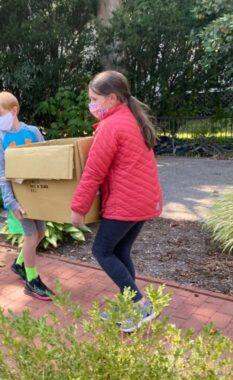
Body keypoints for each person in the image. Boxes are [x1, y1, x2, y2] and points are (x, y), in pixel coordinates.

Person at [70, 71, 163, 332]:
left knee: (102, 251)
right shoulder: (131, 118)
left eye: (94, 98)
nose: (91, 104)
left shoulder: (111, 127)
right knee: (120, 252)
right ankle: (131, 309)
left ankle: (141, 304)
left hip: (126, 204)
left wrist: (78, 208)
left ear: (112, 98)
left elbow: (93, 172)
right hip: (143, 202)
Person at [0, 91, 54, 301]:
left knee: (41, 233)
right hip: (18, 197)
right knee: (31, 236)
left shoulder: (33, 131)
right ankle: (32, 281)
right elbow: (1, 173)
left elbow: (47, 158)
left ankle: (19, 264)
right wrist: (11, 202)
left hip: (37, 194)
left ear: (14, 110)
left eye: (1, 114)